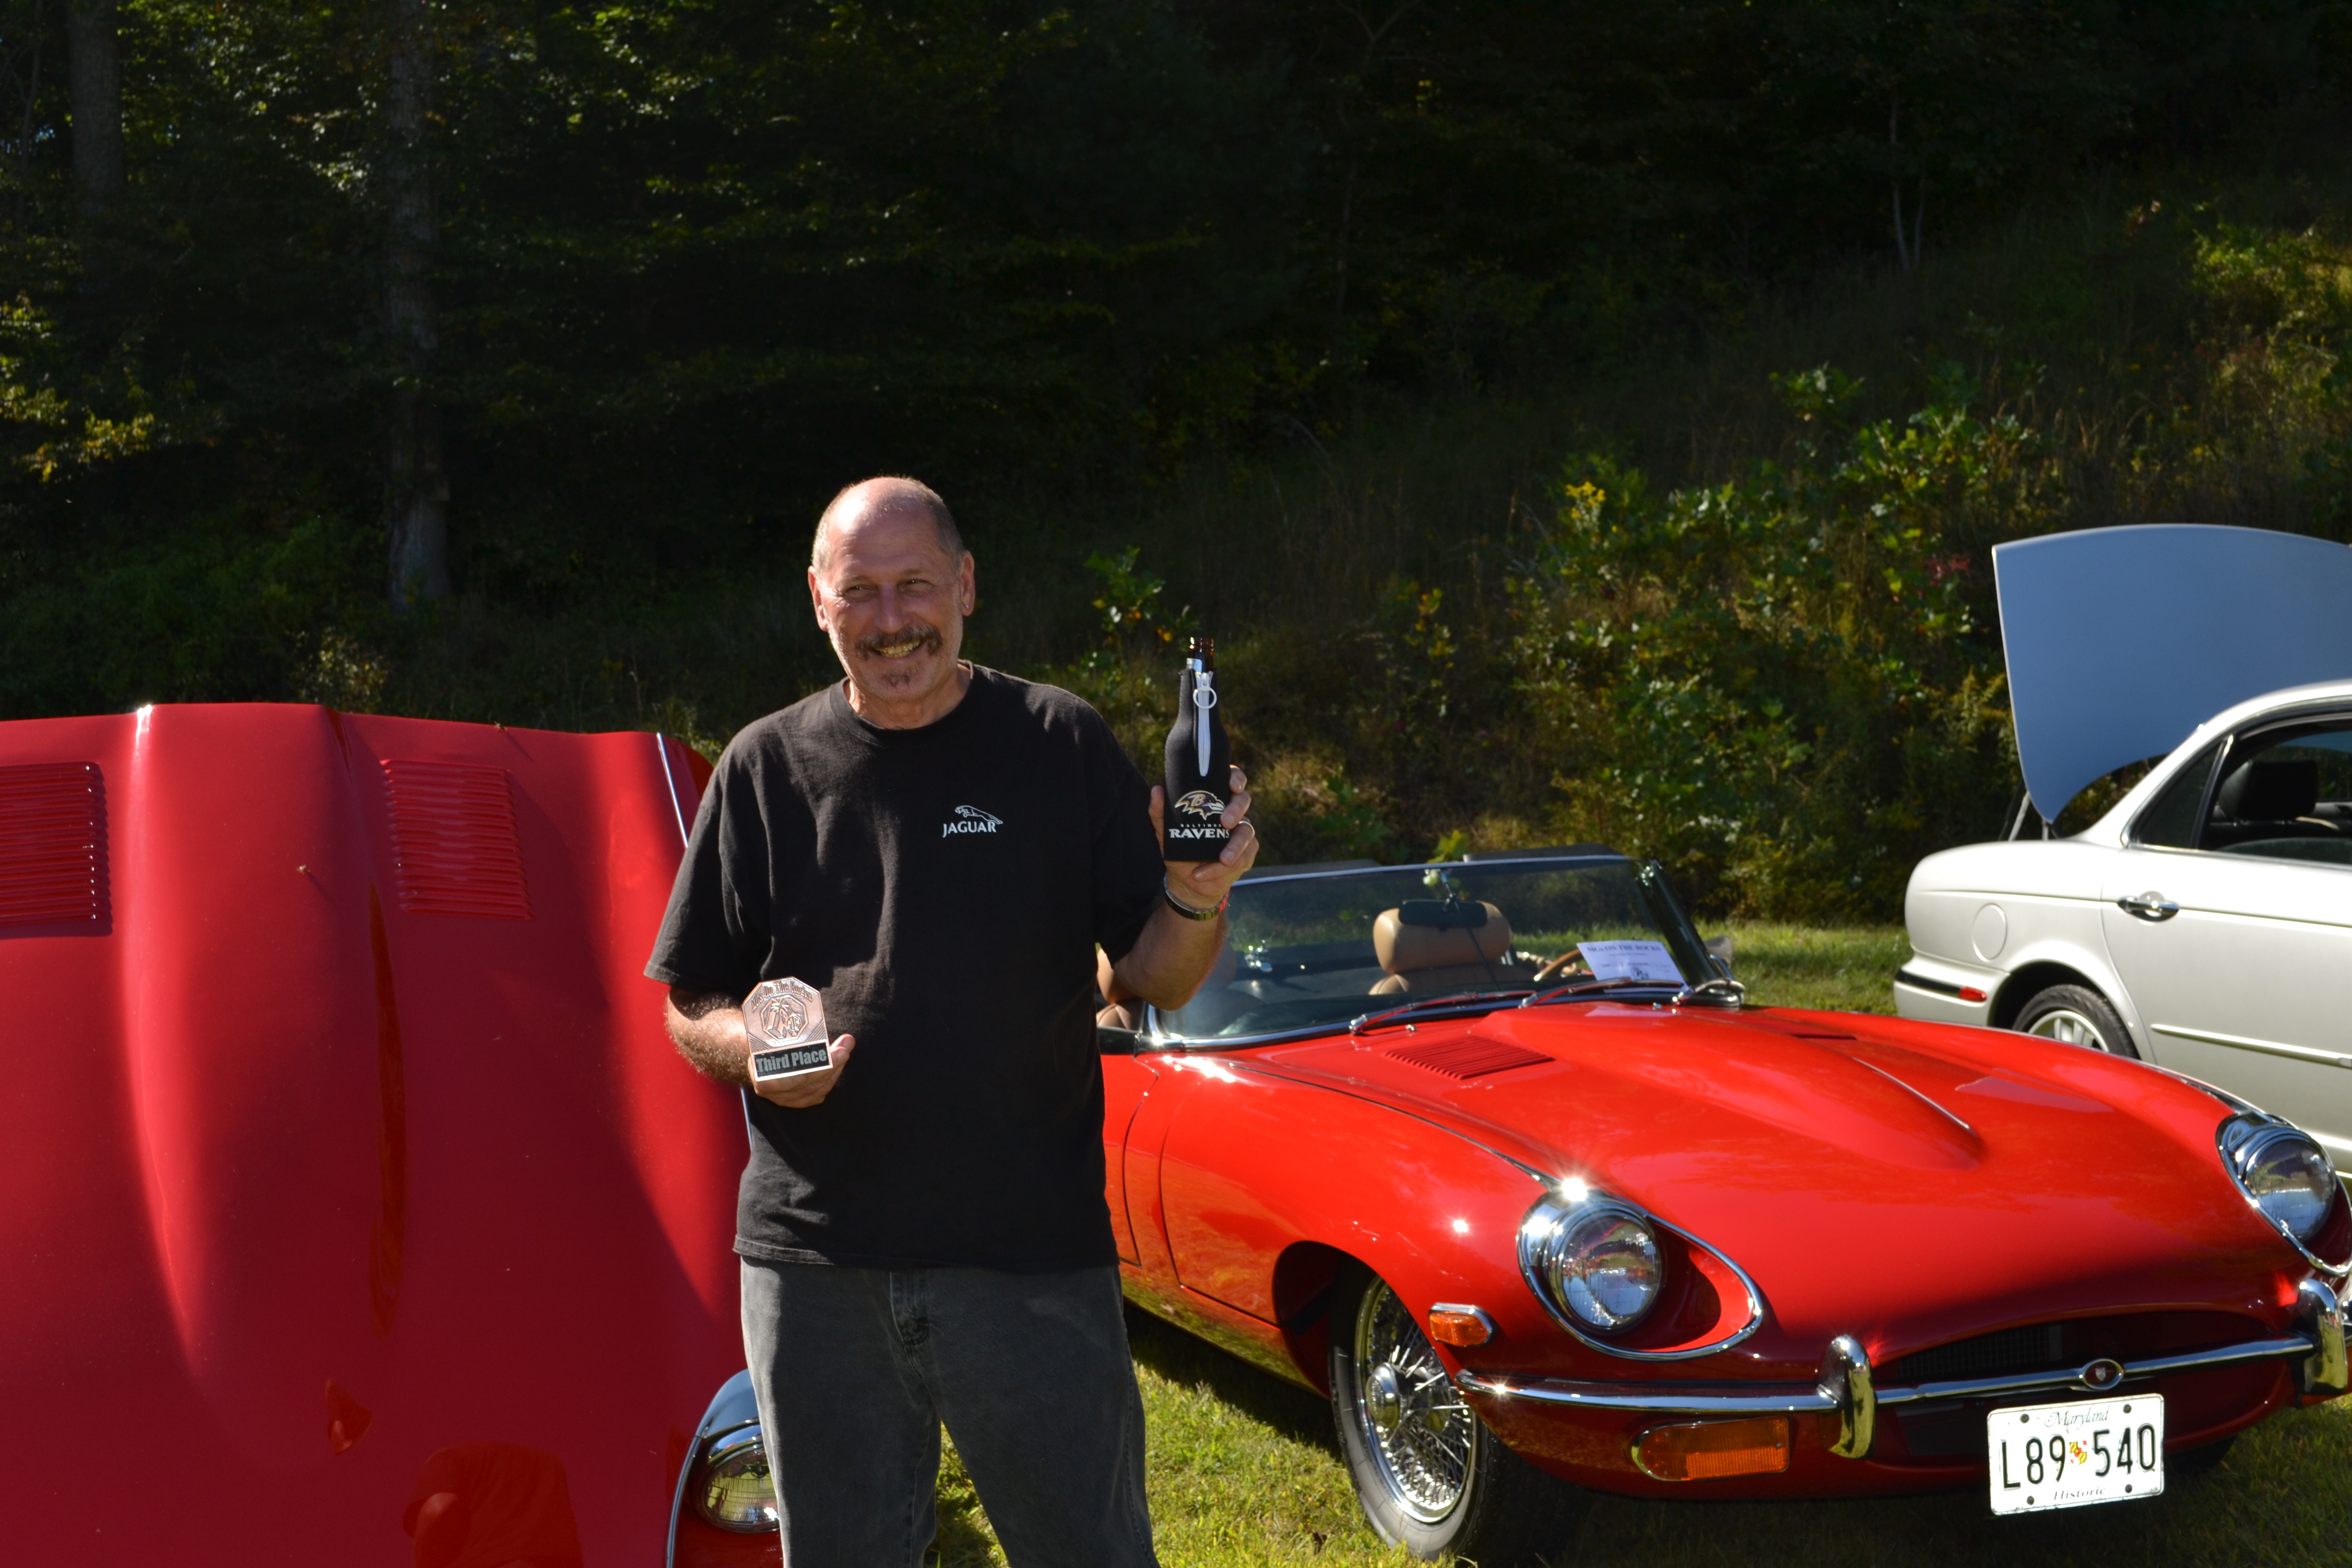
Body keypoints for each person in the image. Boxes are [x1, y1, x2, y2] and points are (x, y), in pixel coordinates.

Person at [646, 476, 1258, 1567]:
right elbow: (693, 1002)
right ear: (819, 601)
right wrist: (755, 1051)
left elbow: (1156, 978)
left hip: (1029, 1256)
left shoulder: (1058, 740)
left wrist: (1197, 896)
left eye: (916, 585)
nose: (893, 620)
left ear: (966, 585)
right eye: (861, 592)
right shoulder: (763, 766)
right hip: (817, 1263)